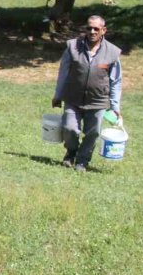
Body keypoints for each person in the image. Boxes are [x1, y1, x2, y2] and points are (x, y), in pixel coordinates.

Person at [52, 15, 122, 171]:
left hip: (98, 101)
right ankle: (71, 152)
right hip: (73, 97)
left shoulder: (112, 52)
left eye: (96, 29)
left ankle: (82, 160)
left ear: (103, 30)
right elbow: (63, 72)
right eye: (89, 28)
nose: (92, 31)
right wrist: (58, 95)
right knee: (69, 129)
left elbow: (116, 81)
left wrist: (115, 107)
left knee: (93, 133)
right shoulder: (72, 46)